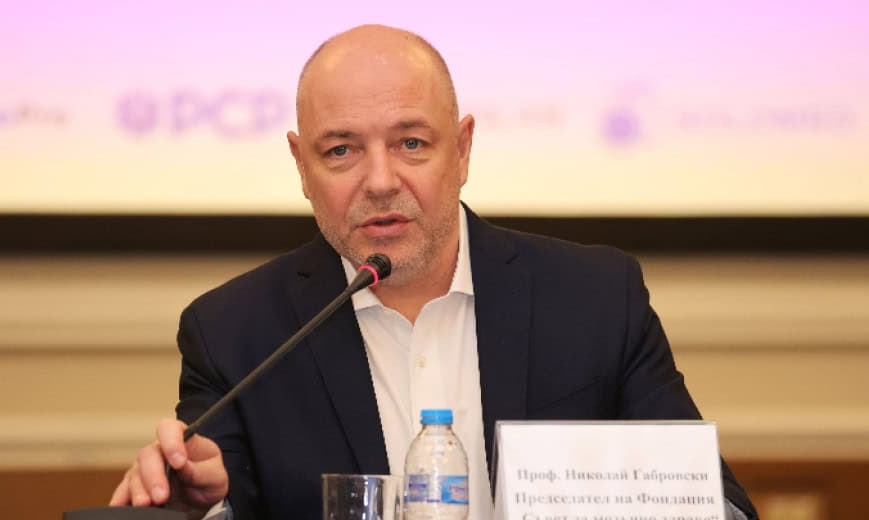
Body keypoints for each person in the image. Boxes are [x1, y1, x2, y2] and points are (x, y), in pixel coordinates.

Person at [109, 24, 758, 520]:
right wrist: (199, 509)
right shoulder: (234, 332)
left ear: (463, 149)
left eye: (411, 143)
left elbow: (718, 506)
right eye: (341, 150)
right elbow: (217, 493)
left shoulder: (595, 299)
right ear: (302, 166)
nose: (380, 180)